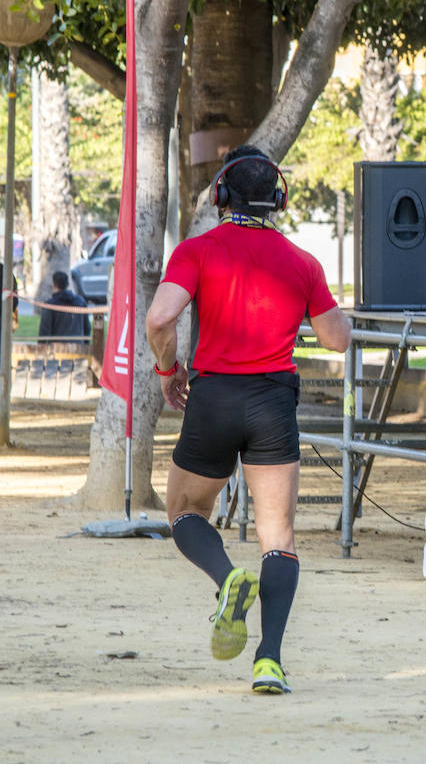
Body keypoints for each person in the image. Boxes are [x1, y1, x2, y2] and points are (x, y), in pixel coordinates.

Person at [146, 145, 351, 695]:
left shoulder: (197, 250)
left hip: (211, 397)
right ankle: (269, 662)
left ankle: (226, 579)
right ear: (278, 200)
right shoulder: (303, 262)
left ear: (221, 196)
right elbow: (337, 340)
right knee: (278, 535)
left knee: (185, 511)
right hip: (273, 403)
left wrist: (170, 369)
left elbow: (160, 318)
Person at [37, 270, 90, 341]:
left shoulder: (50, 305)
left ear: (54, 285)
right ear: (67, 284)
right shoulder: (80, 302)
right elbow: (87, 328)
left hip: (56, 349)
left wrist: (41, 349)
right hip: (78, 347)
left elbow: (44, 332)